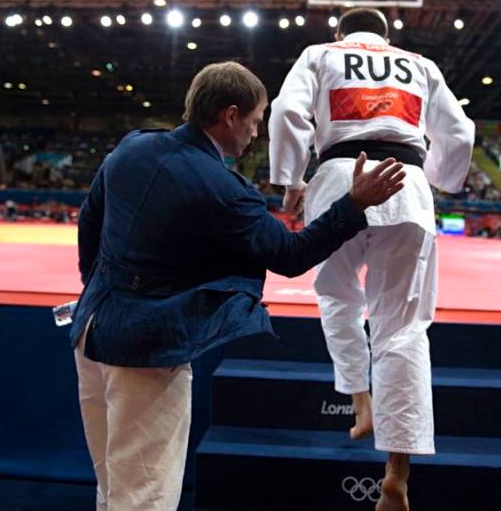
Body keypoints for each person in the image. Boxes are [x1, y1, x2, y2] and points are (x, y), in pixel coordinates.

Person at [70, 61, 406, 511]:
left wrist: (96, 288)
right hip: (147, 350)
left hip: (91, 329)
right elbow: (291, 255)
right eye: (254, 121)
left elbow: (90, 218)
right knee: (143, 496)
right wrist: (353, 203)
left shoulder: (133, 147)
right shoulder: (224, 189)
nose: (254, 133)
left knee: (112, 484)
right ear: (230, 115)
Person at [268, 8, 475, 511]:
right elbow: (460, 132)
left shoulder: (321, 54)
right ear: (388, 37)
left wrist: (290, 180)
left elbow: (286, 113)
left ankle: (360, 397)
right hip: (407, 185)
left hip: (340, 177)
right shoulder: (419, 64)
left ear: (340, 34)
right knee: (403, 327)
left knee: (337, 296)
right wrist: (443, 179)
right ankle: (397, 474)